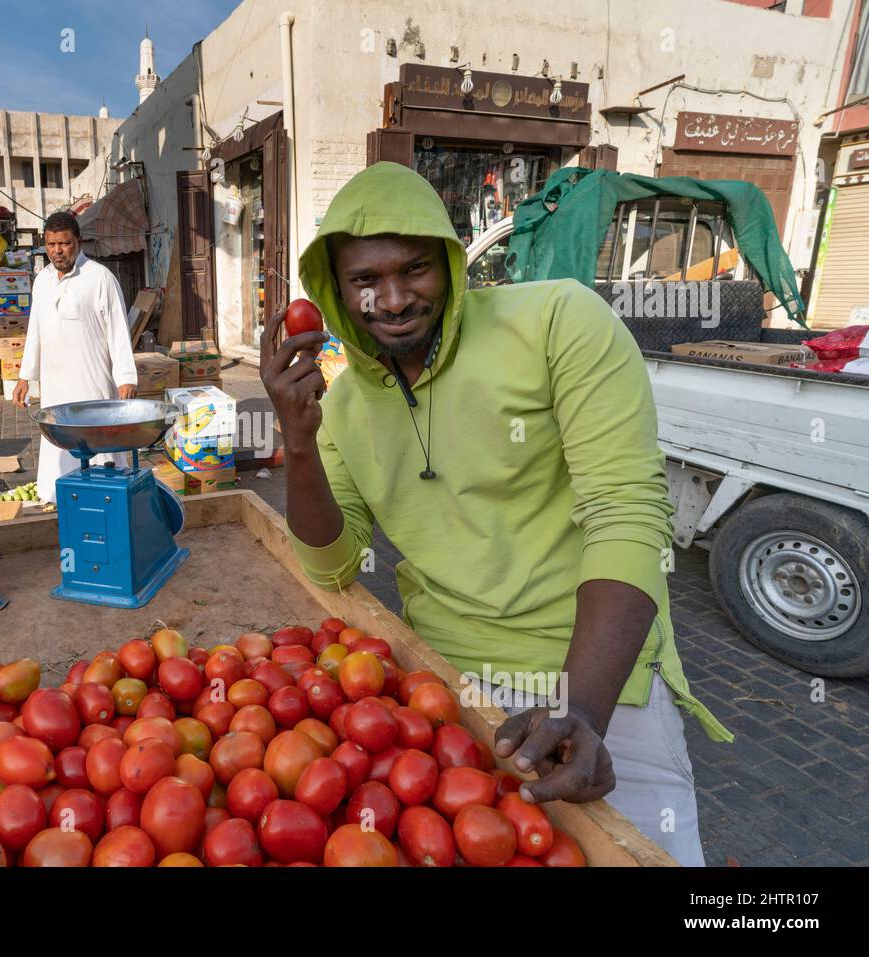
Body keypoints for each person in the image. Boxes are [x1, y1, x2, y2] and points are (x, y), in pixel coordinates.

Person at [261, 161, 731, 866]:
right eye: (363, 281)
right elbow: (330, 565)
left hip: (598, 674)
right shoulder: (346, 406)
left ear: (452, 262)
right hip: (443, 683)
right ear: (335, 290)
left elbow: (626, 513)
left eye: (414, 269)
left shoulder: (556, 321)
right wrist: (297, 441)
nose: (390, 299)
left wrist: (583, 707)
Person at [15, 211, 137, 502]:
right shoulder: (42, 280)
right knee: (59, 439)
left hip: (92, 380)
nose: (58, 250)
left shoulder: (99, 277)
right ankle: (60, 498)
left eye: (65, 243)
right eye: (51, 244)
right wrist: (24, 377)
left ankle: (106, 496)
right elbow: (35, 330)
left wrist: (126, 376)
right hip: (55, 384)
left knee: (98, 439)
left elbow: (118, 329)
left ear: (78, 242)